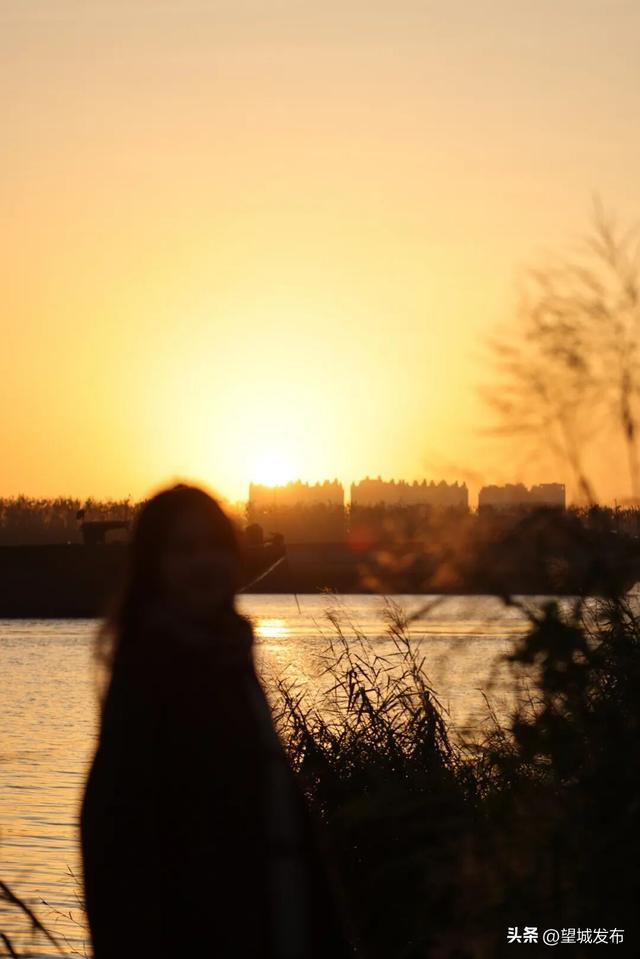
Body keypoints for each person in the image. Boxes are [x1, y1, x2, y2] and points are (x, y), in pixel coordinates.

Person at [80, 484, 355, 958]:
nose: (204, 561)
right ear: (154, 566)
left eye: (215, 545)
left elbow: (283, 823)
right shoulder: (151, 676)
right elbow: (114, 846)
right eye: (184, 549)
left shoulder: (229, 660)